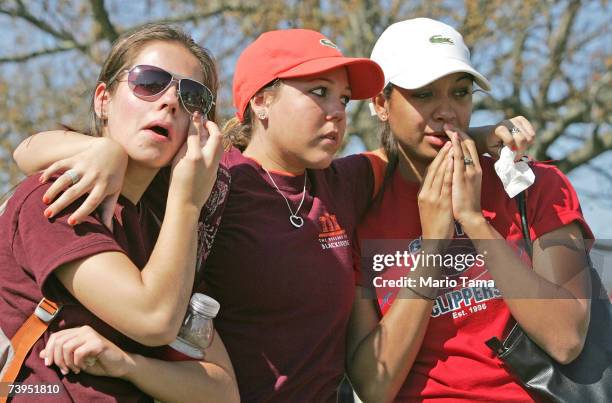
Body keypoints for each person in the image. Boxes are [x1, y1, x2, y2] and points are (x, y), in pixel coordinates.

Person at [13, 28, 534, 402]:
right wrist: (98, 150)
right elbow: (76, 154)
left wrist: (481, 136)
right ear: (260, 102)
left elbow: (407, 150)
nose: (336, 112)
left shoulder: (343, 181)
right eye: (317, 93)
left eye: (344, 99)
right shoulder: (211, 179)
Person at [347, 18, 593, 402]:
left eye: (460, 93)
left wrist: (474, 222)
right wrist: (433, 246)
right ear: (380, 103)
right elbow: (373, 387)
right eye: (424, 94)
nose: (447, 112)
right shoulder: (360, 205)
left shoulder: (536, 185)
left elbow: (567, 339)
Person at [0, 23, 238, 402]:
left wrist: (128, 365)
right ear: (103, 100)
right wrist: (188, 200)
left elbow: (222, 392)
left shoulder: (166, 227)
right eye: (149, 82)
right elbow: (154, 319)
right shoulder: (59, 195)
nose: (171, 101)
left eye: (192, 95)